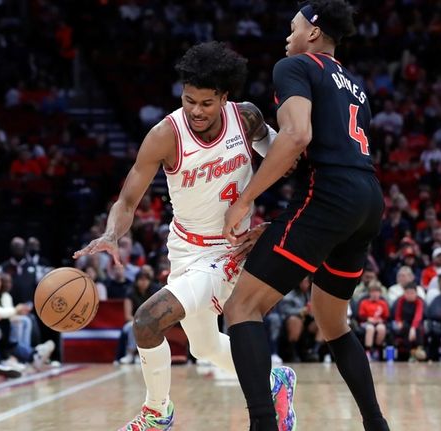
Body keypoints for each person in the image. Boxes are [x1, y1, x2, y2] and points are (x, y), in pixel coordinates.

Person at [73, 41, 292, 431]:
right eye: (189, 100)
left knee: (146, 321)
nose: (195, 110)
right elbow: (127, 200)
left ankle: (157, 412)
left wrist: (272, 222)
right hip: (184, 247)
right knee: (203, 347)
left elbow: (282, 160)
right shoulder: (165, 134)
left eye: (206, 103)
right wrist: (111, 233)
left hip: (228, 251)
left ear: (225, 97)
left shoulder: (247, 120)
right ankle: (274, 379)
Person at [220, 2, 389, 429]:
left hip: (329, 195)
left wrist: (245, 199)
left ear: (313, 32)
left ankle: (263, 423)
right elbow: (323, 152)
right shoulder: (355, 86)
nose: (286, 36)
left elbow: (297, 136)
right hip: (367, 197)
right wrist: (279, 227)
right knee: (332, 320)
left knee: (242, 307)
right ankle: (376, 424)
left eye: (292, 26)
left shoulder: (293, 66)